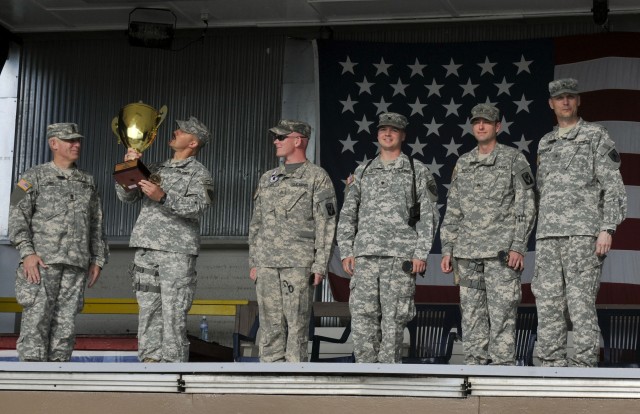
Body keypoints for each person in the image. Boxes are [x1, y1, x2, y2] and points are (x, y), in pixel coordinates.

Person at [533, 78, 627, 367]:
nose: (565, 102)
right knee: (548, 302)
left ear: (578, 101)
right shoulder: (545, 143)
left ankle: (584, 366)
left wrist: (607, 228)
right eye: (559, 98)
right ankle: (551, 365)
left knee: (580, 303)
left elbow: (613, 186)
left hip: (583, 235)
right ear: (551, 103)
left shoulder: (595, 135)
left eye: (570, 97)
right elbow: (541, 190)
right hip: (548, 236)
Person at [337, 112, 439, 363]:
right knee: (363, 317)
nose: (387, 133)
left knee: (394, 318)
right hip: (365, 257)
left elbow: (428, 216)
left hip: (399, 257)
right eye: (383, 128)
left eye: (394, 129)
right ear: (377, 134)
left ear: (402, 135)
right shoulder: (362, 171)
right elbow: (348, 214)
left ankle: (388, 375)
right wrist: (347, 251)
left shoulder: (416, 171)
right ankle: (364, 373)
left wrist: (420, 253)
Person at [440, 104, 536, 365]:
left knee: (503, 314)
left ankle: (502, 375)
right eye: (476, 122)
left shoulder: (514, 159)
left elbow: (526, 204)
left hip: (501, 255)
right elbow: (454, 209)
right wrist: (447, 247)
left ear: (498, 127)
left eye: (487, 122)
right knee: (471, 316)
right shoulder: (464, 162)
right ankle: (474, 372)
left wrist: (518, 245)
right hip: (467, 254)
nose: (481, 126)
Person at [8, 123, 109, 362]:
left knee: (66, 324)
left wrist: (98, 259)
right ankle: (31, 380)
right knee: (36, 320)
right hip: (42, 263)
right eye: (70, 140)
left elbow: (96, 223)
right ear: (54, 143)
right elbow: (16, 216)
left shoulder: (88, 181)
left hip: (76, 263)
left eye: (78, 140)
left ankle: (58, 377)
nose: (76, 145)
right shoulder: (31, 177)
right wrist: (27, 253)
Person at [116, 116, 213, 363]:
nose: (175, 132)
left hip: (176, 252)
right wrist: (129, 167)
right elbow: (127, 197)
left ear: (193, 142)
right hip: (147, 249)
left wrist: (163, 197)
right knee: (148, 311)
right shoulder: (156, 168)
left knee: (173, 314)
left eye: (182, 131)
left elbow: (198, 207)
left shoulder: (199, 174)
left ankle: (173, 369)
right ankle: (148, 364)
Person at [248, 120, 337, 362]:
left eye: (281, 137)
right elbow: (256, 224)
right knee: (269, 324)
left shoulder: (317, 177)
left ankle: (294, 379)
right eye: (276, 137)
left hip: (298, 263)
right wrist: (254, 261)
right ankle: (269, 376)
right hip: (266, 262)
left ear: (298, 140)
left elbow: (326, 224)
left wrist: (320, 265)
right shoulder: (268, 178)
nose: (276, 141)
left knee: (296, 324)